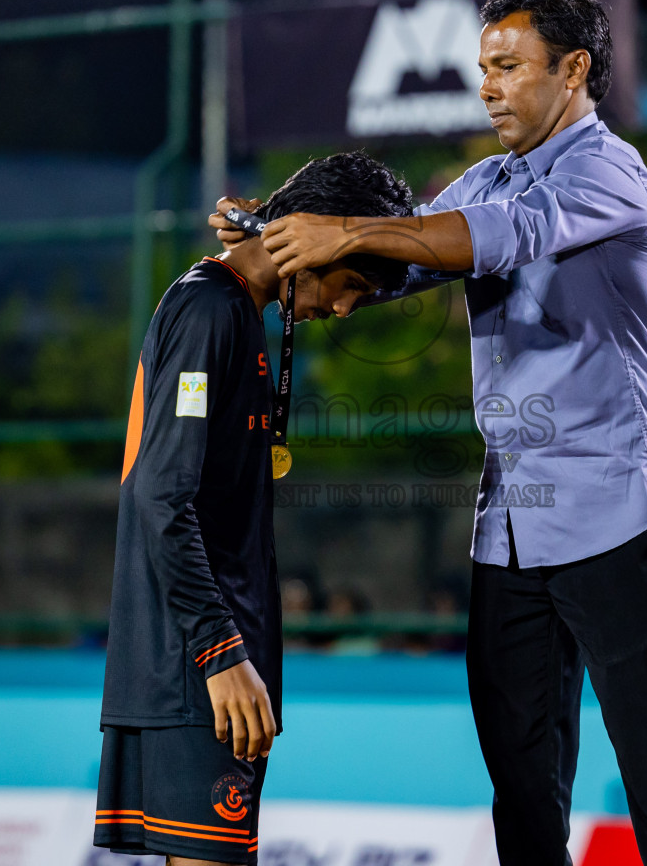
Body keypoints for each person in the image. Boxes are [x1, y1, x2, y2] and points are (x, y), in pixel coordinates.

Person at [215, 0, 647, 865]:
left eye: (508, 67)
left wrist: (349, 231)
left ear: (574, 70)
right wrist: (269, 239)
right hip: (510, 530)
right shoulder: (488, 177)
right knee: (522, 782)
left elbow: (495, 237)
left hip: (614, 516)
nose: (488, 87)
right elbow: (403, 254)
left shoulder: (612, 172)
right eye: (482, 69)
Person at [94, 152, 412, 865]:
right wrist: (221, 653)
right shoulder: (212, 309)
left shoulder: (236, 306)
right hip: (196, 675)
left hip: (206, 672)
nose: (343, 307)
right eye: (350, 283)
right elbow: (160, 494)